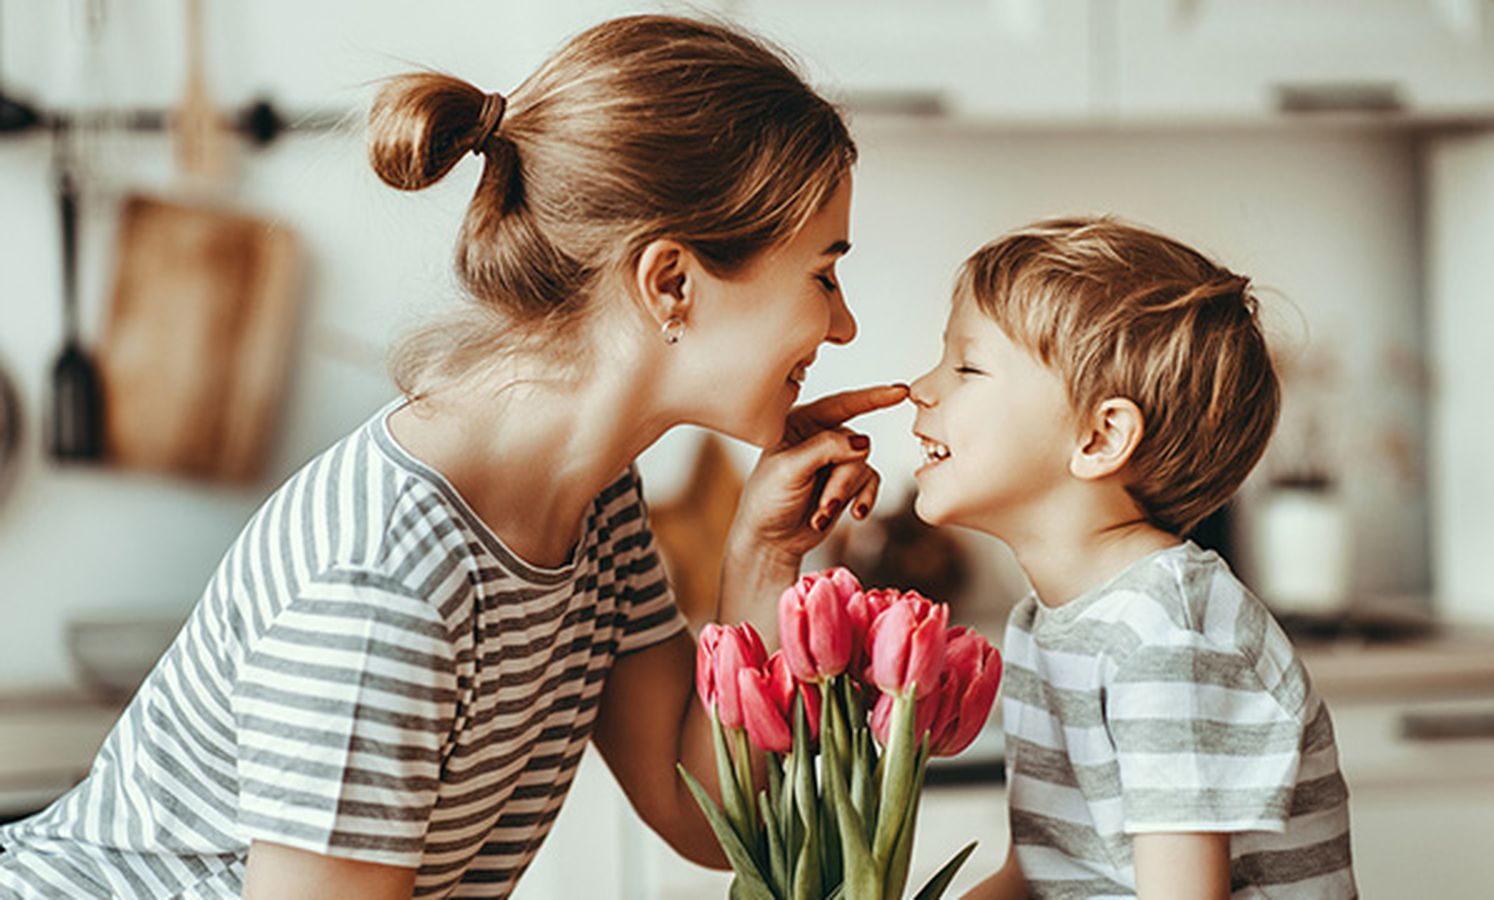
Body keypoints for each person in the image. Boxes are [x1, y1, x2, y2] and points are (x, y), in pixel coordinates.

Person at [0, 14, 906, 899]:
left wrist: (764, 557)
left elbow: (704, 816)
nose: (842, 322)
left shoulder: (596, 502)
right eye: (823, 274)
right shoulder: (388, 581)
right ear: (670, 281)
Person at [907, 218, 1356, 898]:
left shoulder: (1167, 639)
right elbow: (1037, 878)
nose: (922, 386)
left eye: (966, 367)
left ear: (1100, 436)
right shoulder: (1048, 623)